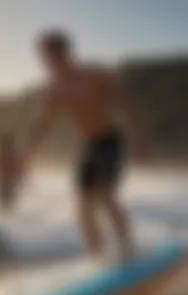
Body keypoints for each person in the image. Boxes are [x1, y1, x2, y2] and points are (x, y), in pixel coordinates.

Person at [17, 30, 150, 260]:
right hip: (89, 145)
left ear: (65, 53)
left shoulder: (96, 74)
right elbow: (42, 125)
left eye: (49, 57)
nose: (47, 64)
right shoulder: (55, 89)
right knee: (83, 206)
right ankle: (96, 257)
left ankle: (129, 248)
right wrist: (27, 156)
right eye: (43, 59)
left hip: (110, 141)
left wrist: (140, 139)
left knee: (106, 196)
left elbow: (129, 104)